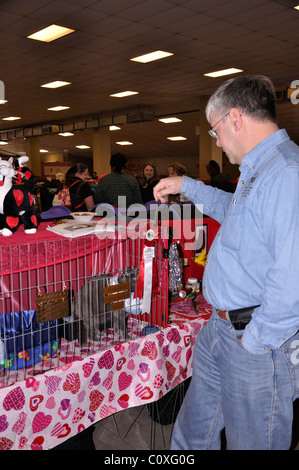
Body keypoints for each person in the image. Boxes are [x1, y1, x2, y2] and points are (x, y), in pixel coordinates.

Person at [154, 75, 299, 450]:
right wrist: (186, 185)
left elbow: (293, 278)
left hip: (252, 341)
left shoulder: (286, 173)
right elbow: (230, 210)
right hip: (220, 331)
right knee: (191, 436)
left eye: (215, 130)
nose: (216, 141)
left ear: (235, 118)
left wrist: (255, 342)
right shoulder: (258, 169)